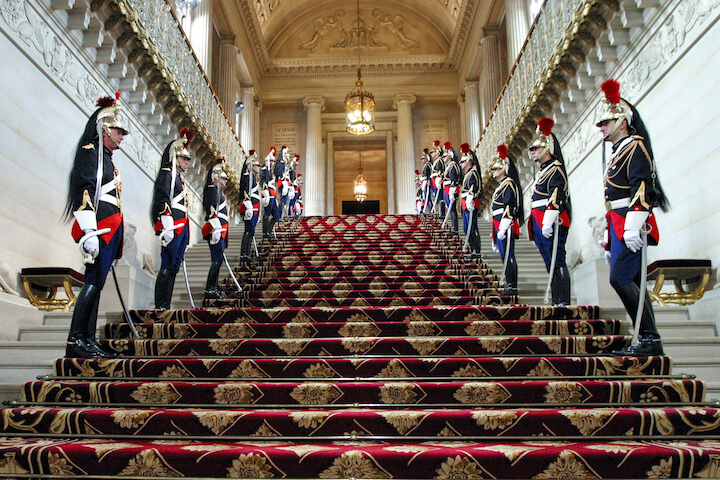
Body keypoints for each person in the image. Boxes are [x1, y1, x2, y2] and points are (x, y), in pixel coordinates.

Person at [597, 79, 670, 356]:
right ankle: (648, 338)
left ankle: (649, 336)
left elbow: (642, 188)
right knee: (631, 281)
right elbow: (611, 197)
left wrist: (633, 227)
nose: (601, 128)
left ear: (622, 121)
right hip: (618, 222)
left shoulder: (636, 147)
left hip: (631, 221)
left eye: (606, 122)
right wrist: (609, 237)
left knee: (620, 278)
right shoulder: (619, 152)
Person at [64, 93, 128, 358]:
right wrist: (89, 230)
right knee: (92, 281)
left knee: (98, 283)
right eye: (118, 130)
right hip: (99, 226)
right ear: (105, 128)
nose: (122, 136)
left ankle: (88, 339)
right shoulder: (90, 153)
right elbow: (84, 190)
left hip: (110, 226)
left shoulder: (108, 160)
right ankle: (75, 340)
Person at [528, 117, 572, 306]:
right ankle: (557, 298)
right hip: (540, 218)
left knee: (557, 259)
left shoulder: (556, 169)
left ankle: (562, 299)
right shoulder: (543, 171)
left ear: (548, 149)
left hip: (551, 219)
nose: (532, 152)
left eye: (536, 149)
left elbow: (556, 196)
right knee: (549, 260)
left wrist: (547, 221)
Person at [151, 128, 194, 310]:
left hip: (181, 225)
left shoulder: (178, 178)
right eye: (184, 159)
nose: (187, 163)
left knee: (174, 267)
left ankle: (166, 303)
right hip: (173, 224)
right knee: (167, 265)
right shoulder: (167, 173)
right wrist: (166, 225)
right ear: (175, 157)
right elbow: (163, 198)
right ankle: (160, 305)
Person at [490, 144, 524, 296]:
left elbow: (510, 205)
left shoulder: (509, 184)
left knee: (509, 255)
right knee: (504, 255)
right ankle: (510, 285)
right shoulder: (501, 186)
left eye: (495, 169)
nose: (492, 172)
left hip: (506, 223)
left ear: (503, 169)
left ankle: (512, 286)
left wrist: (504, 226)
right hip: (499, 222)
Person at [201, 160, 229, 300]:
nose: (226, 181)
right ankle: (210, 289)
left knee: (218, 261)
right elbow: (211, 210)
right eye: (223, 178)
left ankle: (213, 288)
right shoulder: (212, 189)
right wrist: (217, 228)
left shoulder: (218, 192)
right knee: (216, 260)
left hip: (221, 229)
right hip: (216, 230)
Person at [459, 143, 482, 259]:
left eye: (463, 162)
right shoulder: (467, 174)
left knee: (472, 227)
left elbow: (475, 187)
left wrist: (471, 197)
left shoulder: (473, 173)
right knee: (466, 227)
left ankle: (476, 250)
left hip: (470, 202)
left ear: (469, 162)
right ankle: (473, 248)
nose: (461, 164)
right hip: (465, 202)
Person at [239, 150, 262, 263]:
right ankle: (244, 253)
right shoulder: (247, 176)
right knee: (248, 230)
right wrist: (248, 206)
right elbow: (246, 192)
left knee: (251, 231)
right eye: (257, 165)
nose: (259, 168)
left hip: (255, 206)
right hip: (250, 206)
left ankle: (247, 252)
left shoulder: (253, 177)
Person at [260, 147, 279, 239]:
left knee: (276, 216)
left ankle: (269, 230)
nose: (272, 163)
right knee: (267, 213)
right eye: (271, 161)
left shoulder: (269, 170)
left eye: (273, 161)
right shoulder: (264, 169)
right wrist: (265, 193)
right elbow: (263, 182)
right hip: (269, 194)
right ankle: (265, 232)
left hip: (273, 194)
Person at [442, 142, 461, 235]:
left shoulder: (453, 165)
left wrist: (452, 191)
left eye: (445, 156)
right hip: (447, 188)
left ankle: (455, 228)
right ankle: (453, 227)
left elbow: (454, 179)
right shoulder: (449, 166)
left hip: (451, 188)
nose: (443, 158)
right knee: (450, 209)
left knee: (453, 209)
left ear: (450, 156)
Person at [430, 140, 445, 218]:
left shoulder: (439, 161)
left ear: (437, 152)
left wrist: (438, 178)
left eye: (433, 152)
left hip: (438, 180)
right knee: (437, 197)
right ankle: (440, 212)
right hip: (435, 180)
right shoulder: (435, 161)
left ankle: (442, 213)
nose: (432, 154)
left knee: (440, 197)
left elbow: (440, 171)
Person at [419, 149, 431, 213]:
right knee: (425, 197)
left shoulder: (428, 165)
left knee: (428, 198)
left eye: (423, 159)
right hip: (424, 182)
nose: (422, 160)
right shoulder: (425, 166)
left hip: (426, 182)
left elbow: (427, 174)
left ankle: (430, 210)